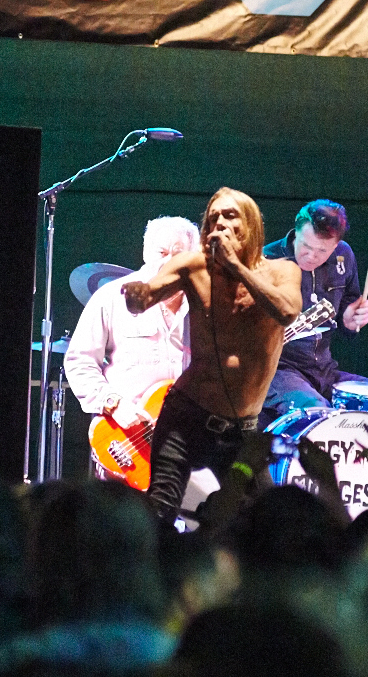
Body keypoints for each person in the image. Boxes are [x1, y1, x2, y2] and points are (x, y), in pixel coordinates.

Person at [124, 190, 303, 521]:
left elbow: (287, 311)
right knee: (160, 509)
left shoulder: (282, 272)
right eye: (213, 217)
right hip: (186, 415)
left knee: (259, 519)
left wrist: (236, 265)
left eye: (230, 215)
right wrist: (137, 297)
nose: (220, 221)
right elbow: (146, 296)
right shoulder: (193, 267)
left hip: (242, 427)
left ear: (251, 224)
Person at [63, 215, 199, 475]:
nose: (168, 261)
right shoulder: (112, 297)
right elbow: (79, 361)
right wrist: (112, 403)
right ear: (146, 252)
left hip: (183, 444)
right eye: (161, 252)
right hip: (125, 441)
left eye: (178, 254)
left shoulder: (204, 307)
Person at [259, 199, 368, 424]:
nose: (311, 256)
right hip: (280, 371)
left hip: (325, 369)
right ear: (296, 231)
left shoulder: (344, 256)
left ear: (336, 244)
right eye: (306, 246)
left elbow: (347, 310)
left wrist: (350, 321)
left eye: (322, 251)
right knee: (319, 415)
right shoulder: (266, 261)